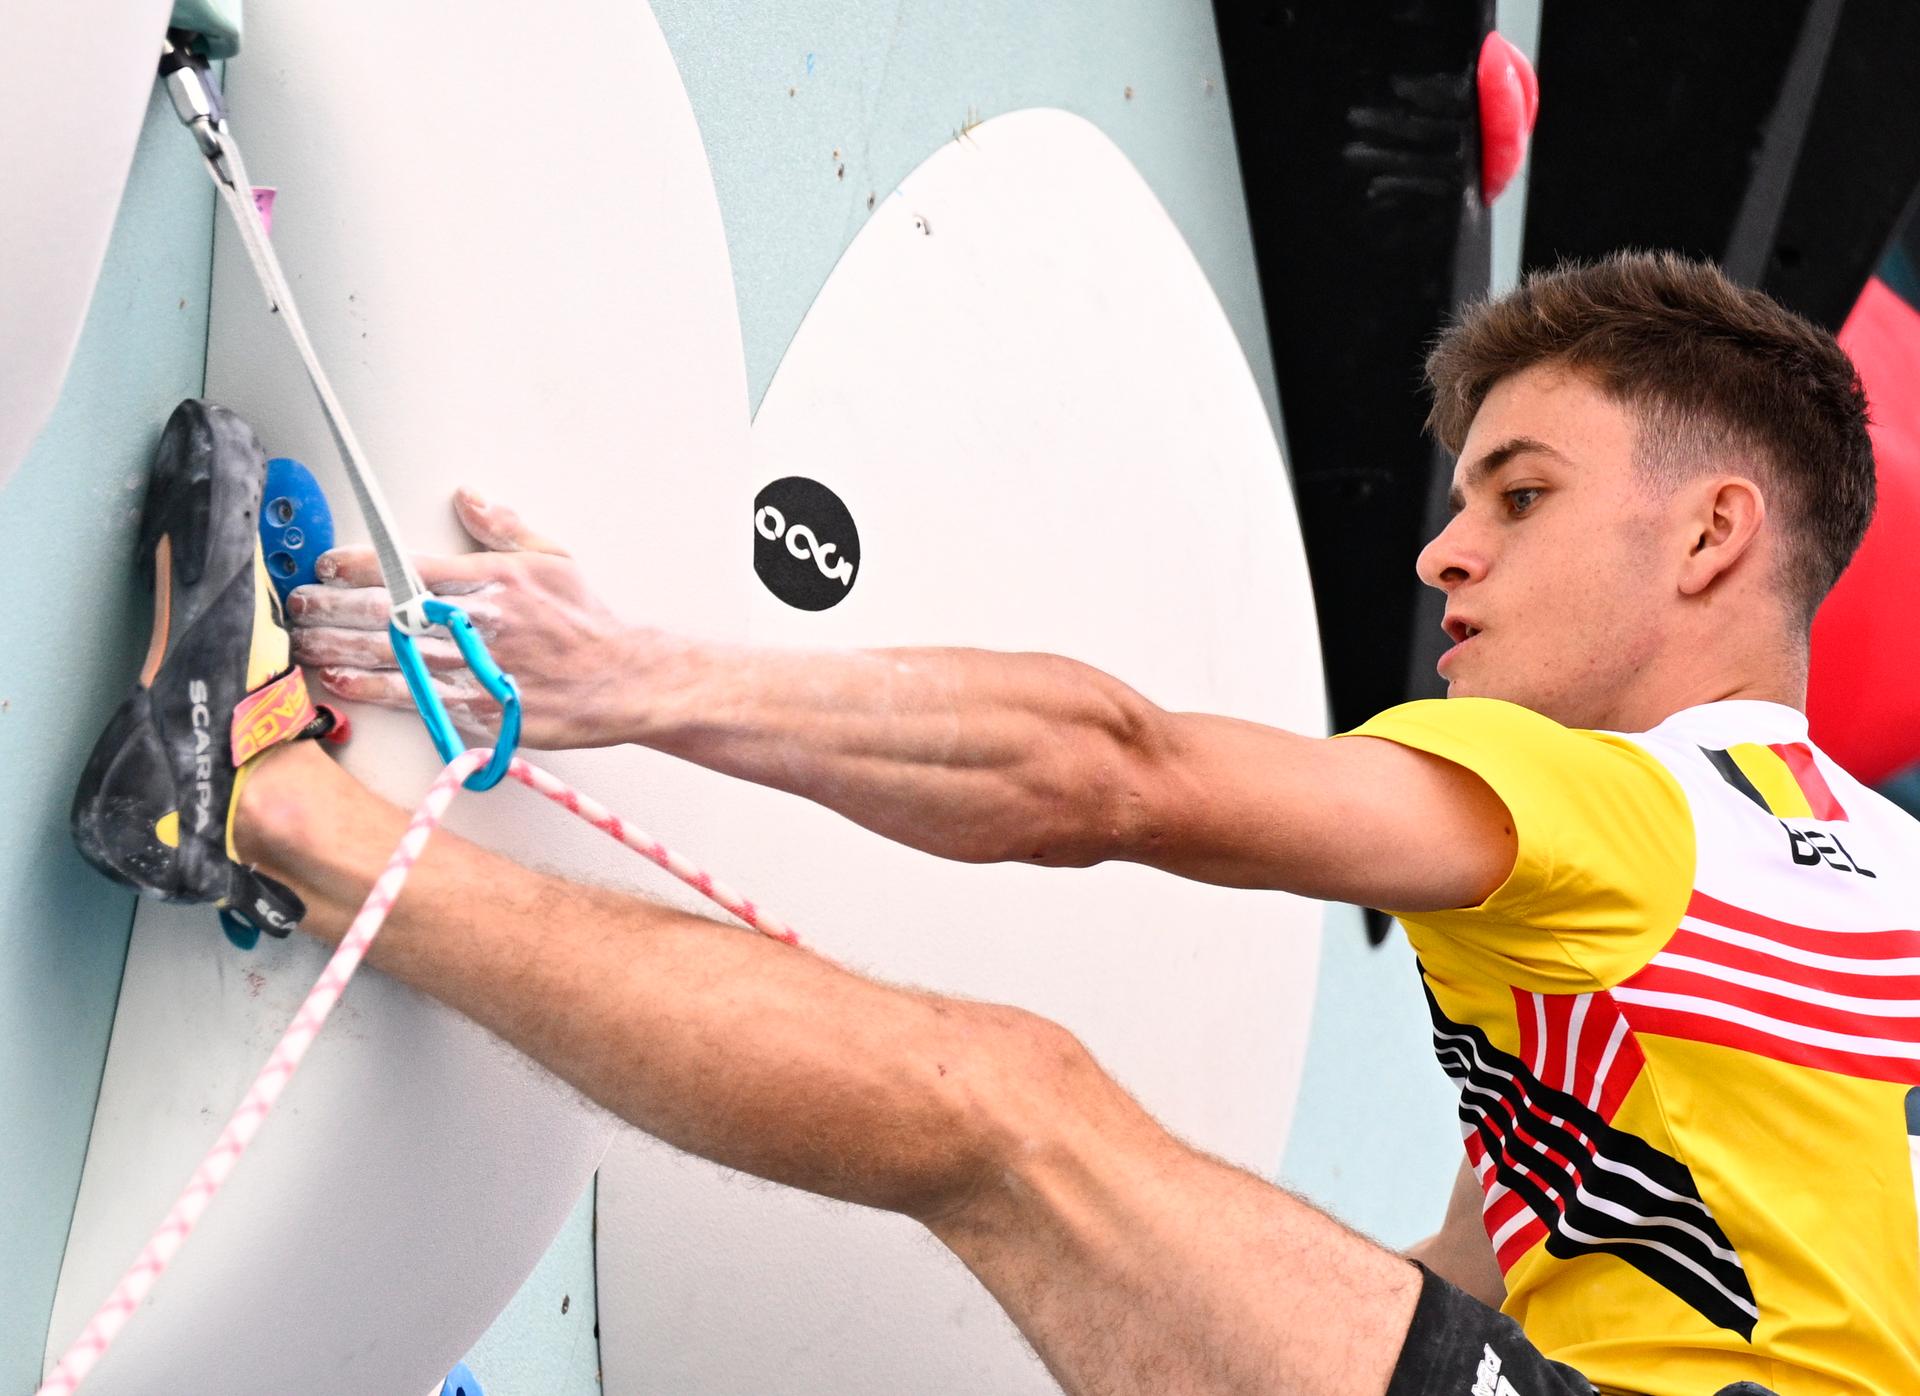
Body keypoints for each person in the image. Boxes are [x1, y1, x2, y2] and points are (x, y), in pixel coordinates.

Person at [71, 252, 1915, 1395]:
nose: (1445, 550)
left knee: (1011, 1112)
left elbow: (1109, 767)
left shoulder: (1634, 802)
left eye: (1518, 494)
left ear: (1709, 540)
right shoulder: (1868, 877)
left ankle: (270, 804)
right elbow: (1509, 1248)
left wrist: (632, 680)